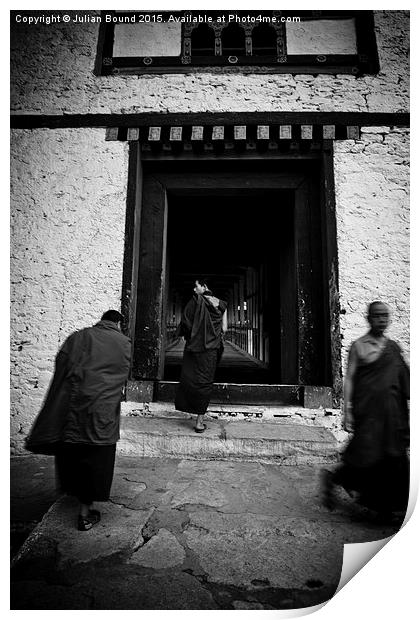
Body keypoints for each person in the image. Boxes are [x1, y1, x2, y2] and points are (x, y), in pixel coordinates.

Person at [25, 310, 131, 531]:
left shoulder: (78, 337)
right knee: (95, 459)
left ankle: (72, 492)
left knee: (75, 453)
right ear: (118, 324)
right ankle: (84, 514)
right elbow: (122, 376)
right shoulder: (124, 343)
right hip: (103, 413)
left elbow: (62, 365)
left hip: (75, 410)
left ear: (101, 320)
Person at [322, 301, 410, 522]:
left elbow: (405, 381)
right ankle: (334, 479)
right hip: (368, 414)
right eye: (377, 315)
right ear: (368, 318)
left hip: (391, 415)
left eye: (385, 316)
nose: (382, 320)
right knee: (364, 457)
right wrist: (347, 411)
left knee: (393, 459)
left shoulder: (393, 349)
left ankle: (386, 508)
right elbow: (349, 379)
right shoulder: (359, 346)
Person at [175, 278, 227, 433]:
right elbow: (224, 328)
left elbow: (186, 323)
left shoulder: (194, 302)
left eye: (196, 286)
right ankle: (199, 422)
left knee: (191, 377)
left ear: (205, 287)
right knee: (205, 382)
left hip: (195, 348)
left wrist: (194, 334)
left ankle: (188, 408)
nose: (194, 289)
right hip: (211, 350)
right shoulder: (222, 304)